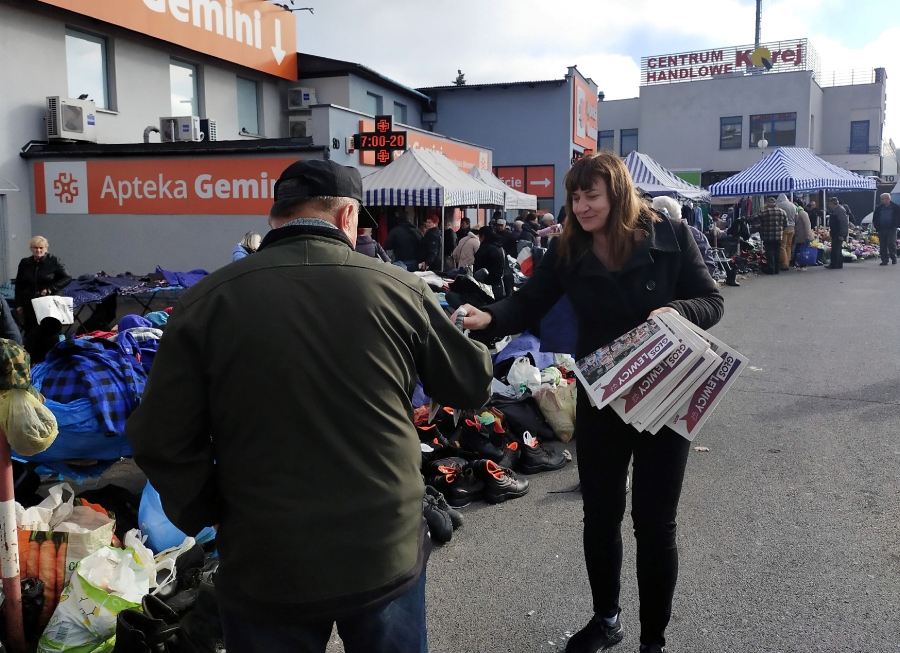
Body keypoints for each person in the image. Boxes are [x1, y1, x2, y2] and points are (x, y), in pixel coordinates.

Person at [126, 159, 493, 653]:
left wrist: (210, 510)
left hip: (264, 558)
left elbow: (158, 437)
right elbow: (471, 383)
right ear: (347, 216)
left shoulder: (205, 302)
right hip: (383, 545)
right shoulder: (399, 288)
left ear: (274, 216)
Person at [455, 152, 723, 653]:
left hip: (664, 397)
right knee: (600, 515)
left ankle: (653, 641)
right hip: (601, 396)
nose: (580, 206)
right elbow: (528, 302)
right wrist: (487, 317)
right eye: (574, 197)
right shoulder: (567, 249)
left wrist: (679, 309)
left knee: (654, 524)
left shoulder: (671, 236)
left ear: (617, 194)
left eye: (591, 196)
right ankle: (606, 620)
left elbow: (712, 301)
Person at [14, 236, 71, 335]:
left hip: (49, 302)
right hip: (29, 302)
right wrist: (19, 303)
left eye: (41, 248)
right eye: (35, 247)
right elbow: (19, 284)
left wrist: (50, 289)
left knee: (49, 332)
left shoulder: (54, 261)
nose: (38, 250)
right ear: (31, 248)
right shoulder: (24, 262)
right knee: (31, 331)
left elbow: (67, 278)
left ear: (46, 248)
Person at [472, 225, 509, 301]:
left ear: (482, 237)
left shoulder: (484, 249)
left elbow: (478, 268)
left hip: (488, 288)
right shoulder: (500, 248)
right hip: (502, 286)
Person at [753, 197, 787, 275]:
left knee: (769, 252)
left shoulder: (764, 212)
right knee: (777, 252)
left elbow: (754, 218)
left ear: (767, 203)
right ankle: (777, 269)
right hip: (778, 236)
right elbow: (785, 224)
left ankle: (771, 269)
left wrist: (744, 219)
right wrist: (780, 229)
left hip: (768, 236)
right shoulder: (782, 212)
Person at [872, 193, 900, 265]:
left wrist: (896, 224)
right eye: (881, 199)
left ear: (888, 199)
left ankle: (893, 257)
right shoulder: (878, 208)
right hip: (881, 229)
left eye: (883, 199)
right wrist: (877, 226)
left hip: (892, 228)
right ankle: (884, 260)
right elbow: (875, 218)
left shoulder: (896, 207)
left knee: (891, 243)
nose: (881, 200)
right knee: (883, 245)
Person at [826, 196, 849, 269]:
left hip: (838, 232)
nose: (829, 205)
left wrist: (842, 234)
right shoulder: (836, 210)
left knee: (836, 248)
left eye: (830, 203)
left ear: (833, 204)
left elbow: (843, 223)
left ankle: (834, 264)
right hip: (835, 232)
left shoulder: (840, 210)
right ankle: (838, 263)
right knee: (837, 248)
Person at [776, 194, 796, 271]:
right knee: (788, 246)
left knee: (782, 246)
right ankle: (788, 261)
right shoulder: (793, 205)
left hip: (784, 228)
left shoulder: (780, 205)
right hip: (792, 228)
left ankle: (784, 264)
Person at [791, 205, 813, 269]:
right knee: (799, 249)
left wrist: (807, 235)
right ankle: (796, 262)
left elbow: (807, 224)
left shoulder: (802, 213)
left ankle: (803, 264)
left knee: (803, 250)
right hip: (800, 235)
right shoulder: (800, 214)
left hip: (804, 235)